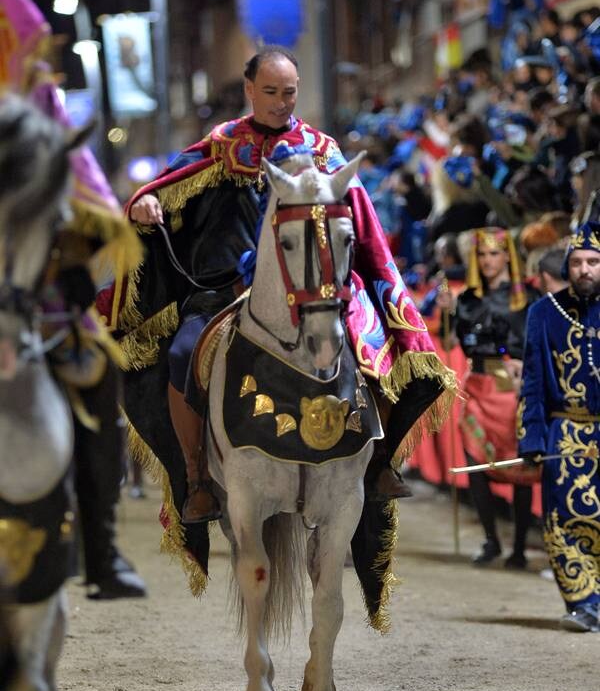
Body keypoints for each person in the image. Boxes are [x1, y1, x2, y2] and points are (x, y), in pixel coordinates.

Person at [99, 44, 457, 597]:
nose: (280, 102)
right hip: (224, 288)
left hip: (316, 288)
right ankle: (198, 478)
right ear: (250, 90)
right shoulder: (222, 146)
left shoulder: (321, 151)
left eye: (288, 93)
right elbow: (164, 188)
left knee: (377, 348)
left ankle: (378, 460)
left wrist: (379, 291)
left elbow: (362, 225)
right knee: (178, 354)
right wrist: (146, 205)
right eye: (270, 92)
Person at [0, 0, 146, 600]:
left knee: (96, 371)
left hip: (36, 287)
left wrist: (69, 261)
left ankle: (101, 549)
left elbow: (83, 199)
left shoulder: (39, 109)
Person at [438, 227, 539, 567]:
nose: (487, 260)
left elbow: (533, 343)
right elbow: (451, 342)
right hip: (476, 381)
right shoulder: (466, 298)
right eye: (482, 254)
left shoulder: (524, 297)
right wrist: (446, 311)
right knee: (475, 465)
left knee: (518, 466)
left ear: (506, 256)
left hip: (508, 385)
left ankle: (520, 548)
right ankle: (491, 540)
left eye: (494, 253)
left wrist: (522, 365)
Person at [519, 222, 600, 632]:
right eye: (577, 262)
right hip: (565, 436)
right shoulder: (543, 313)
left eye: (593, 261)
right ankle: (584, 603)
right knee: (565, 521)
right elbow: (532, 384)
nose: (584, 269)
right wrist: (531, 437)